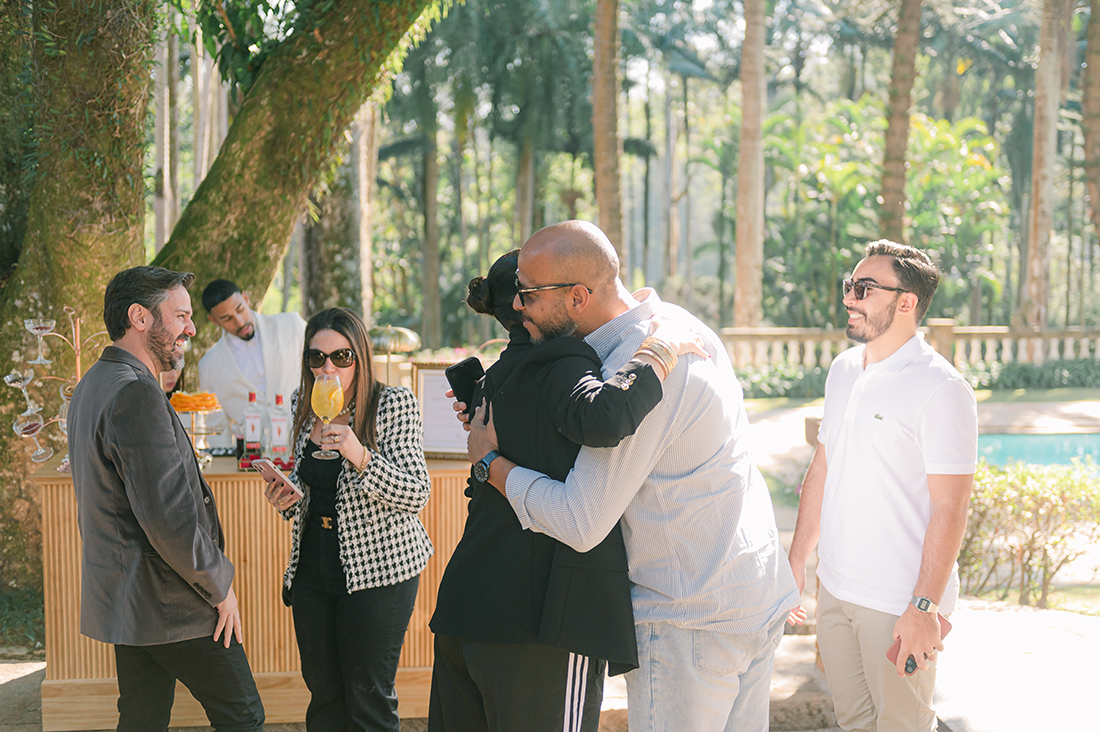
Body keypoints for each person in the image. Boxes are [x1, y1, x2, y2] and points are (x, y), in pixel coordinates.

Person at [466, 221, 800, 732]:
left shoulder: (632, 370)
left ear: (577, 296)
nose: (516, 306)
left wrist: (491, 464)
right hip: (753, 595)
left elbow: (581, 521)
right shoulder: (679, 323)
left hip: (690, 620)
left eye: (528, 295)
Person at [429, 250, 703, 732]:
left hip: (465, 610)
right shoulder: (561, 360)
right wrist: (662, 348)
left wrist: (488, 461)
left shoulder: (497, 378)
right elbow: (604, 417)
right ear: (526, 304)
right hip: (542, 622)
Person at [786, 241, 977, 732]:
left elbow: (950, 509)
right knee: (854, 723)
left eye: (864, 288)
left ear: (906, 302)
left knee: (903, 726)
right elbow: (822, 470)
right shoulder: (843, 371)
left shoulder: (942, 388)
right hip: (837, 591)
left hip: (898, 603)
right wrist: (796, 564)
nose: (850, 297)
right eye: (850, 285)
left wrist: (923, 609)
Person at [68, 266, 265, 732]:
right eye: (179, 316)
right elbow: (170, 521)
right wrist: (220, 587)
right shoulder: (136, 393)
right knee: (243, 715)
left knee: (142, 717)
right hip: (171, 602)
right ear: (139, 317)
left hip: (127, 600)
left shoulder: (94, 383)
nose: (191, 329)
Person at [262, 307, 432, 732]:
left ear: (361, 357)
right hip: (314, 569)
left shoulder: (392, 404)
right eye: (316, 358)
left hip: (379, 571)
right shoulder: (306, 404)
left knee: (368, 696)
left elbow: (416, 493)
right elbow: (313, 489)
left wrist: (359, 454)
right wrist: (287, 498)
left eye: (341, 357)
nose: (329, 368)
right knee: (324, 696)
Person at [198, 279, 306, 448]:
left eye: (240, 309)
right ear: (213, 320)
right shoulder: (208, 366)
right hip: (253, 461)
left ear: (246, 298)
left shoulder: (291, 325)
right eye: (227, 318)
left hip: (305, 448)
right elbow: (217, 427)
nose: (239, 322)